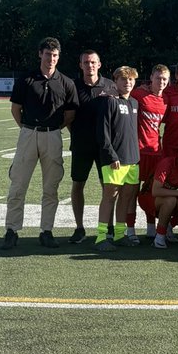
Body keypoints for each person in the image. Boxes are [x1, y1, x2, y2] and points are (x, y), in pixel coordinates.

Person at [1, 36, 78, 250]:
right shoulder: (26, 79)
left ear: (59, 56)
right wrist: (27, 129)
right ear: (40, 54)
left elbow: (70, 113)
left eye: (54, 55)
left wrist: (53, 130)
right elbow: (15, 109)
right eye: (47, 54)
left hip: (53, 135)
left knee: (51, 187)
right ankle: (11, 230)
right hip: (28, 133)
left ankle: (46, 230)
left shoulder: (66, 82)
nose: (51, 59)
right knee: (18, 184)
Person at [68, 48, 116, 244]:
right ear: (80, 65)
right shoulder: (72, 86)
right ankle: (79, 228)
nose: (90, 66)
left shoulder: (110, 86)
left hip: (104, 147)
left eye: (93, 62)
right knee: (78, 184)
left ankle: (108, 225)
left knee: (108, 187)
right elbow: (69, 117)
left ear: (99, 64)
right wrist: (79, 135)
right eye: (86, 62)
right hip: (81, 145)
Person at [94, 66, 141, 252]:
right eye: (123, 79)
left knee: (126, 198)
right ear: (115, 81)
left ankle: (120, 234)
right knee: (109, 197)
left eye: (130, 80)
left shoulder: (135, 103)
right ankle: (101, 237)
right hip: (114, 160)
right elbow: (102, 133)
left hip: (132, 160)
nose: (127, 83)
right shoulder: (109, 102)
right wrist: (111, 155)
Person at [132, 64, 170, 239]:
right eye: (158, 78)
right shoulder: (139, 94)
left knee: (150, 192)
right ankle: (129, 230)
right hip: (137, 151)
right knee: (132, 191)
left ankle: (150, 227)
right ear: (151, 79)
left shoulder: (166, 99)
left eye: (164, 79)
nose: (161, 82)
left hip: (156, 151)